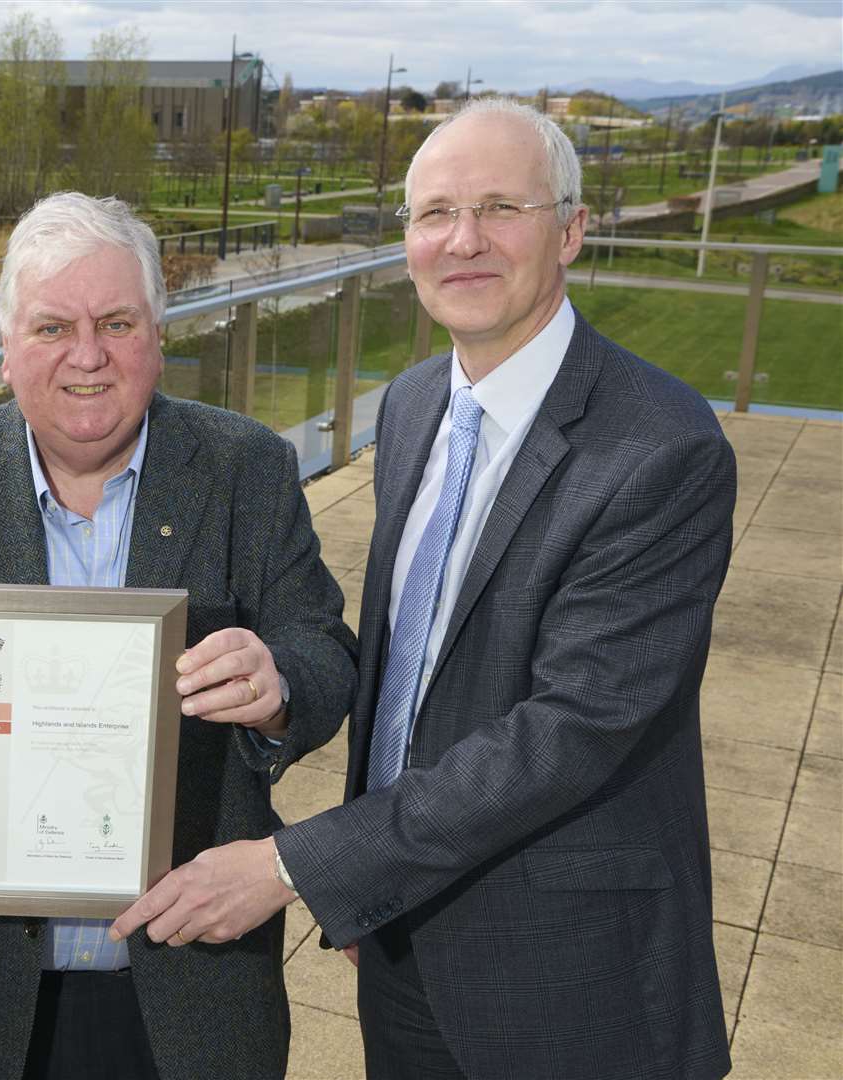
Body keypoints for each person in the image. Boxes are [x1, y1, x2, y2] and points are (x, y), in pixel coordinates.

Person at [113, 98, 735, 1079]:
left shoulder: (660, 448)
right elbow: (412, 663)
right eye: (434, 212)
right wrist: (362, 872)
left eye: (501, 208)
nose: (464, 241)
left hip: (567, 979)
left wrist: (297, 865)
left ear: (570, 229)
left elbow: (568, 737)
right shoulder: (410, 406)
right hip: (402, 949)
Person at [0, 191, 358, 1080]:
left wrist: (280, 685)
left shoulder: (245, 467)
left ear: (158, 332)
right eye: (51, 327)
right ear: (5, 347)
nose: (88, 356)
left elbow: (324, 648)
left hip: (192, 985)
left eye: (116, 322)